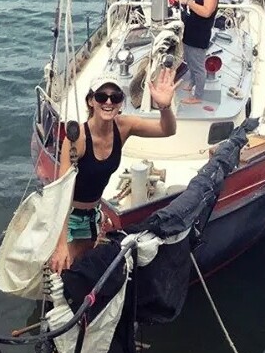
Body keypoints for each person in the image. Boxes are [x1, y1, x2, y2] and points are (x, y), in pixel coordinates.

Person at [49, 67, 179, 273]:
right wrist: (60, 244)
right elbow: (61, 193)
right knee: (65, 273)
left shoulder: (124, 127)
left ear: (121, 103)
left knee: (84, 271)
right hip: (71, 218)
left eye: (115, 97)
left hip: (93, 216)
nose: (108, 102)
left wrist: (164, 106)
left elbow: (167, 129)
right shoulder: (78, 139)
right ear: (91, 101)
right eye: (102, 96)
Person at [175, 0, 220, 104]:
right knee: (189, 59)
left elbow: (206, 12)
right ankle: (193, 81)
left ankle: (198, 96)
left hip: (200, 33)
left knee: (198, 66)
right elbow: (190, 1)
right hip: (190, 29)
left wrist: (188, 2)